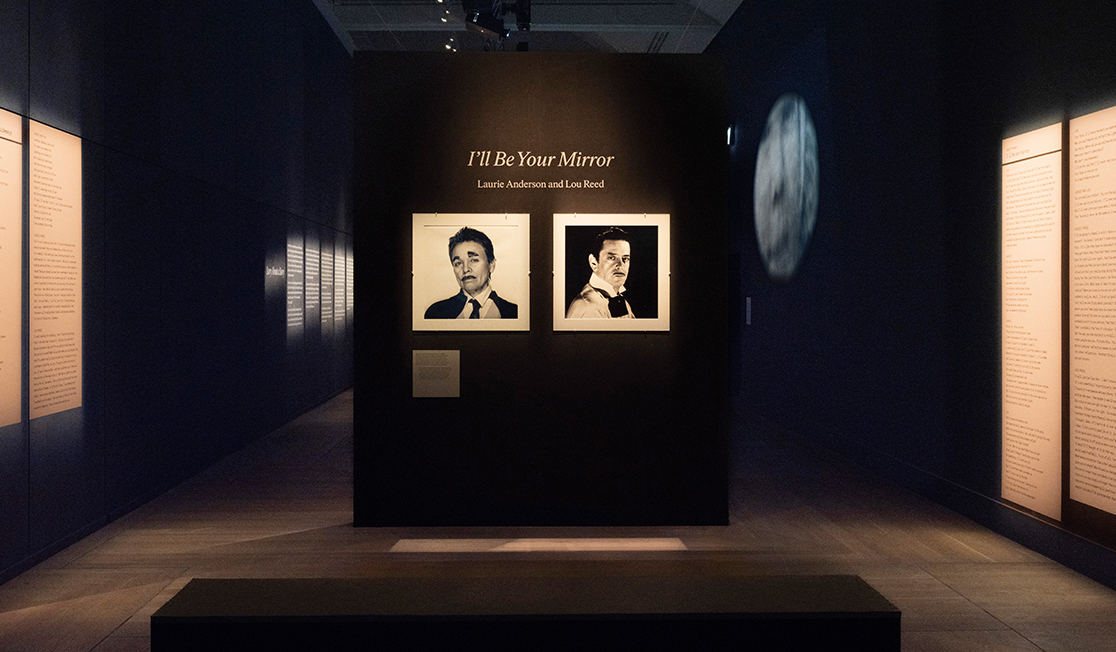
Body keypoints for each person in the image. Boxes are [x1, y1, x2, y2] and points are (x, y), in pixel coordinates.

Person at [425, 227, 518, 319]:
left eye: (473, 260)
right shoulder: (436, 313)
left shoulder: (514, 313)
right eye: (458, 263)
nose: (465, 269)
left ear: (491, 265)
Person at [566, 227, 634, 319]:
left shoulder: (620, 301)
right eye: (612, 258)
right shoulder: (589, 307)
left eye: (625, 259)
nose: (620, 265)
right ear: (593, 263)